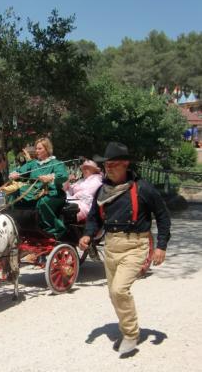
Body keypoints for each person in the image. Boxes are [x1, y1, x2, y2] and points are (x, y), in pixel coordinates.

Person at [78, 142, 171, 356]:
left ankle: (130, 334)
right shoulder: (103, 191)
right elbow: (93, 218)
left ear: (126, 164)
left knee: (120, 290)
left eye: (113, 164)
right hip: (111, 246)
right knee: (113, 293)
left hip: (136, 246)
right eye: (106, 165)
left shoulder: (144, 188)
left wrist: (161, 246)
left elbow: (163, 217)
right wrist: (87, 234)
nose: (108, 168)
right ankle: (128, 329)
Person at [9, 137, 68, 238]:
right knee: (15, 195)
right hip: (33, 192)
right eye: (36, 148)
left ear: (47, 149)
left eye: (39, 148)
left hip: (52, 193)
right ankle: (17, 224)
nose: (37, 151)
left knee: (43, 202)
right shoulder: (33, 163)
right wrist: (15, 174)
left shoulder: (56, 163)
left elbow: (63, 176)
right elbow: (21, 171)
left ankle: (52, 230)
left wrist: (50, 177)